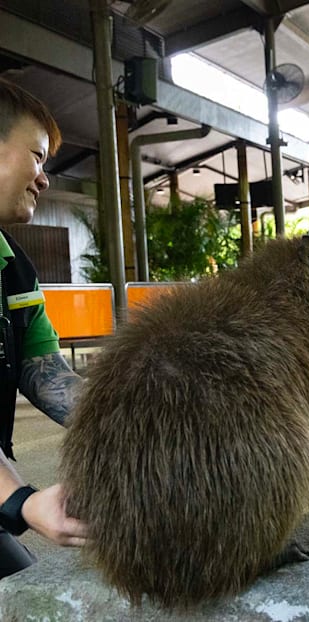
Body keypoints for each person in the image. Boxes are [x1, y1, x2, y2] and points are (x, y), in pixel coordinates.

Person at [0, 77, 87, 578]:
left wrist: (144, 416)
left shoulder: (14, 268)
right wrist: (21, 500)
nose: (45, 177)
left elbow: (44, 372)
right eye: (36, 156)